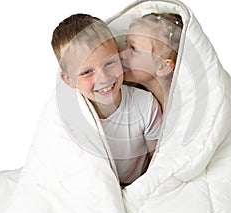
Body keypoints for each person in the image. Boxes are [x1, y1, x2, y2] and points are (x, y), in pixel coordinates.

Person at [51, 13, 162, 186]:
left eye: (110, 63)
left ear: (119, 55)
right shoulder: (68, 119)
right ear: (69, 80)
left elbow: (158, 162)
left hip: (138, 186)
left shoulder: (145, 104)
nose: (103, 78)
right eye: (87, 72)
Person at [121, 12, 183, 111]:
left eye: (133, 49)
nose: (122, 53)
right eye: (125, 43)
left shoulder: (178, 111)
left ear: (163, 67)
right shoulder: (142, 105)